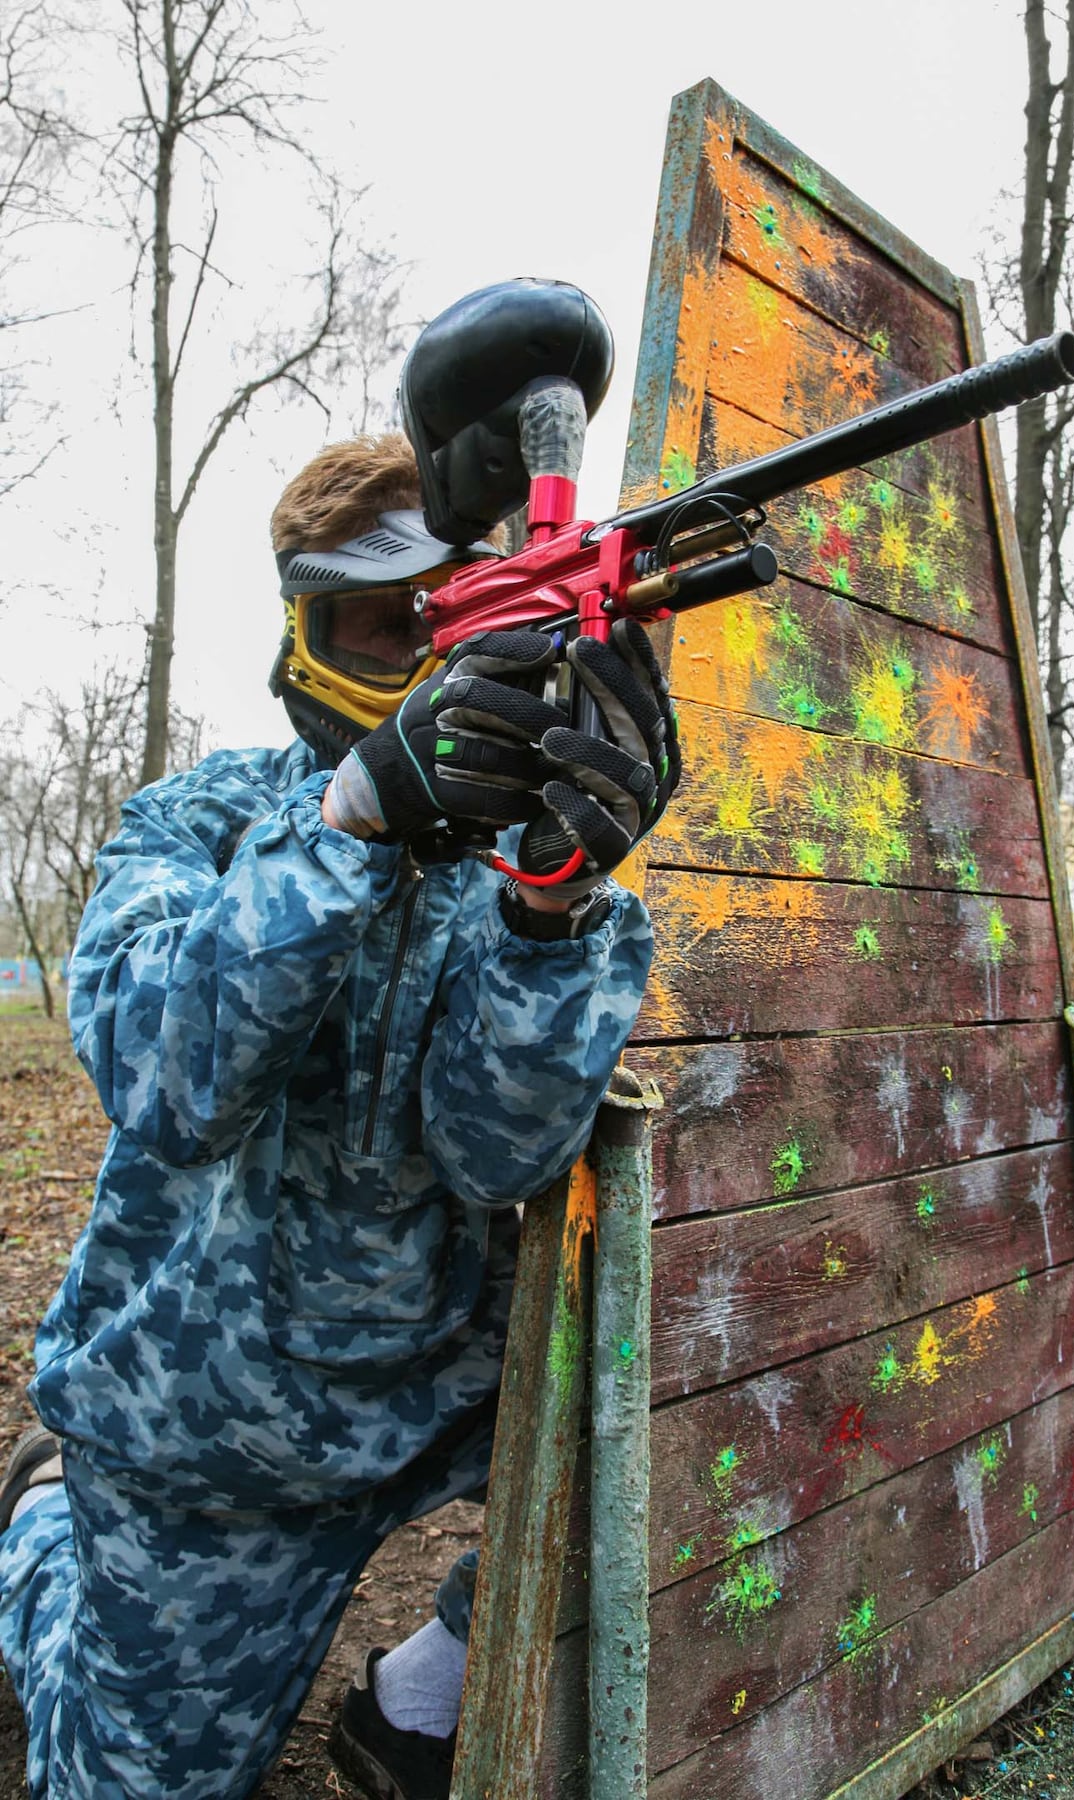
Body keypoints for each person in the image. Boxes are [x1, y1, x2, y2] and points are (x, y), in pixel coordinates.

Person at [0, 430, 680, 1800]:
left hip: (443, 1387)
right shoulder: (195, 821)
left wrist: (551, 907)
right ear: (308, 634)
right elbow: (166, 1077)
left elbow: (499, 1144)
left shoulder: (525, 861)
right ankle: (39, 1528)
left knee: (684, 1414)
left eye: (467, 624)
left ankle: (425, 1697)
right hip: (208, 1438)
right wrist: (358, 814)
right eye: (389, 629)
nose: (437, 671)